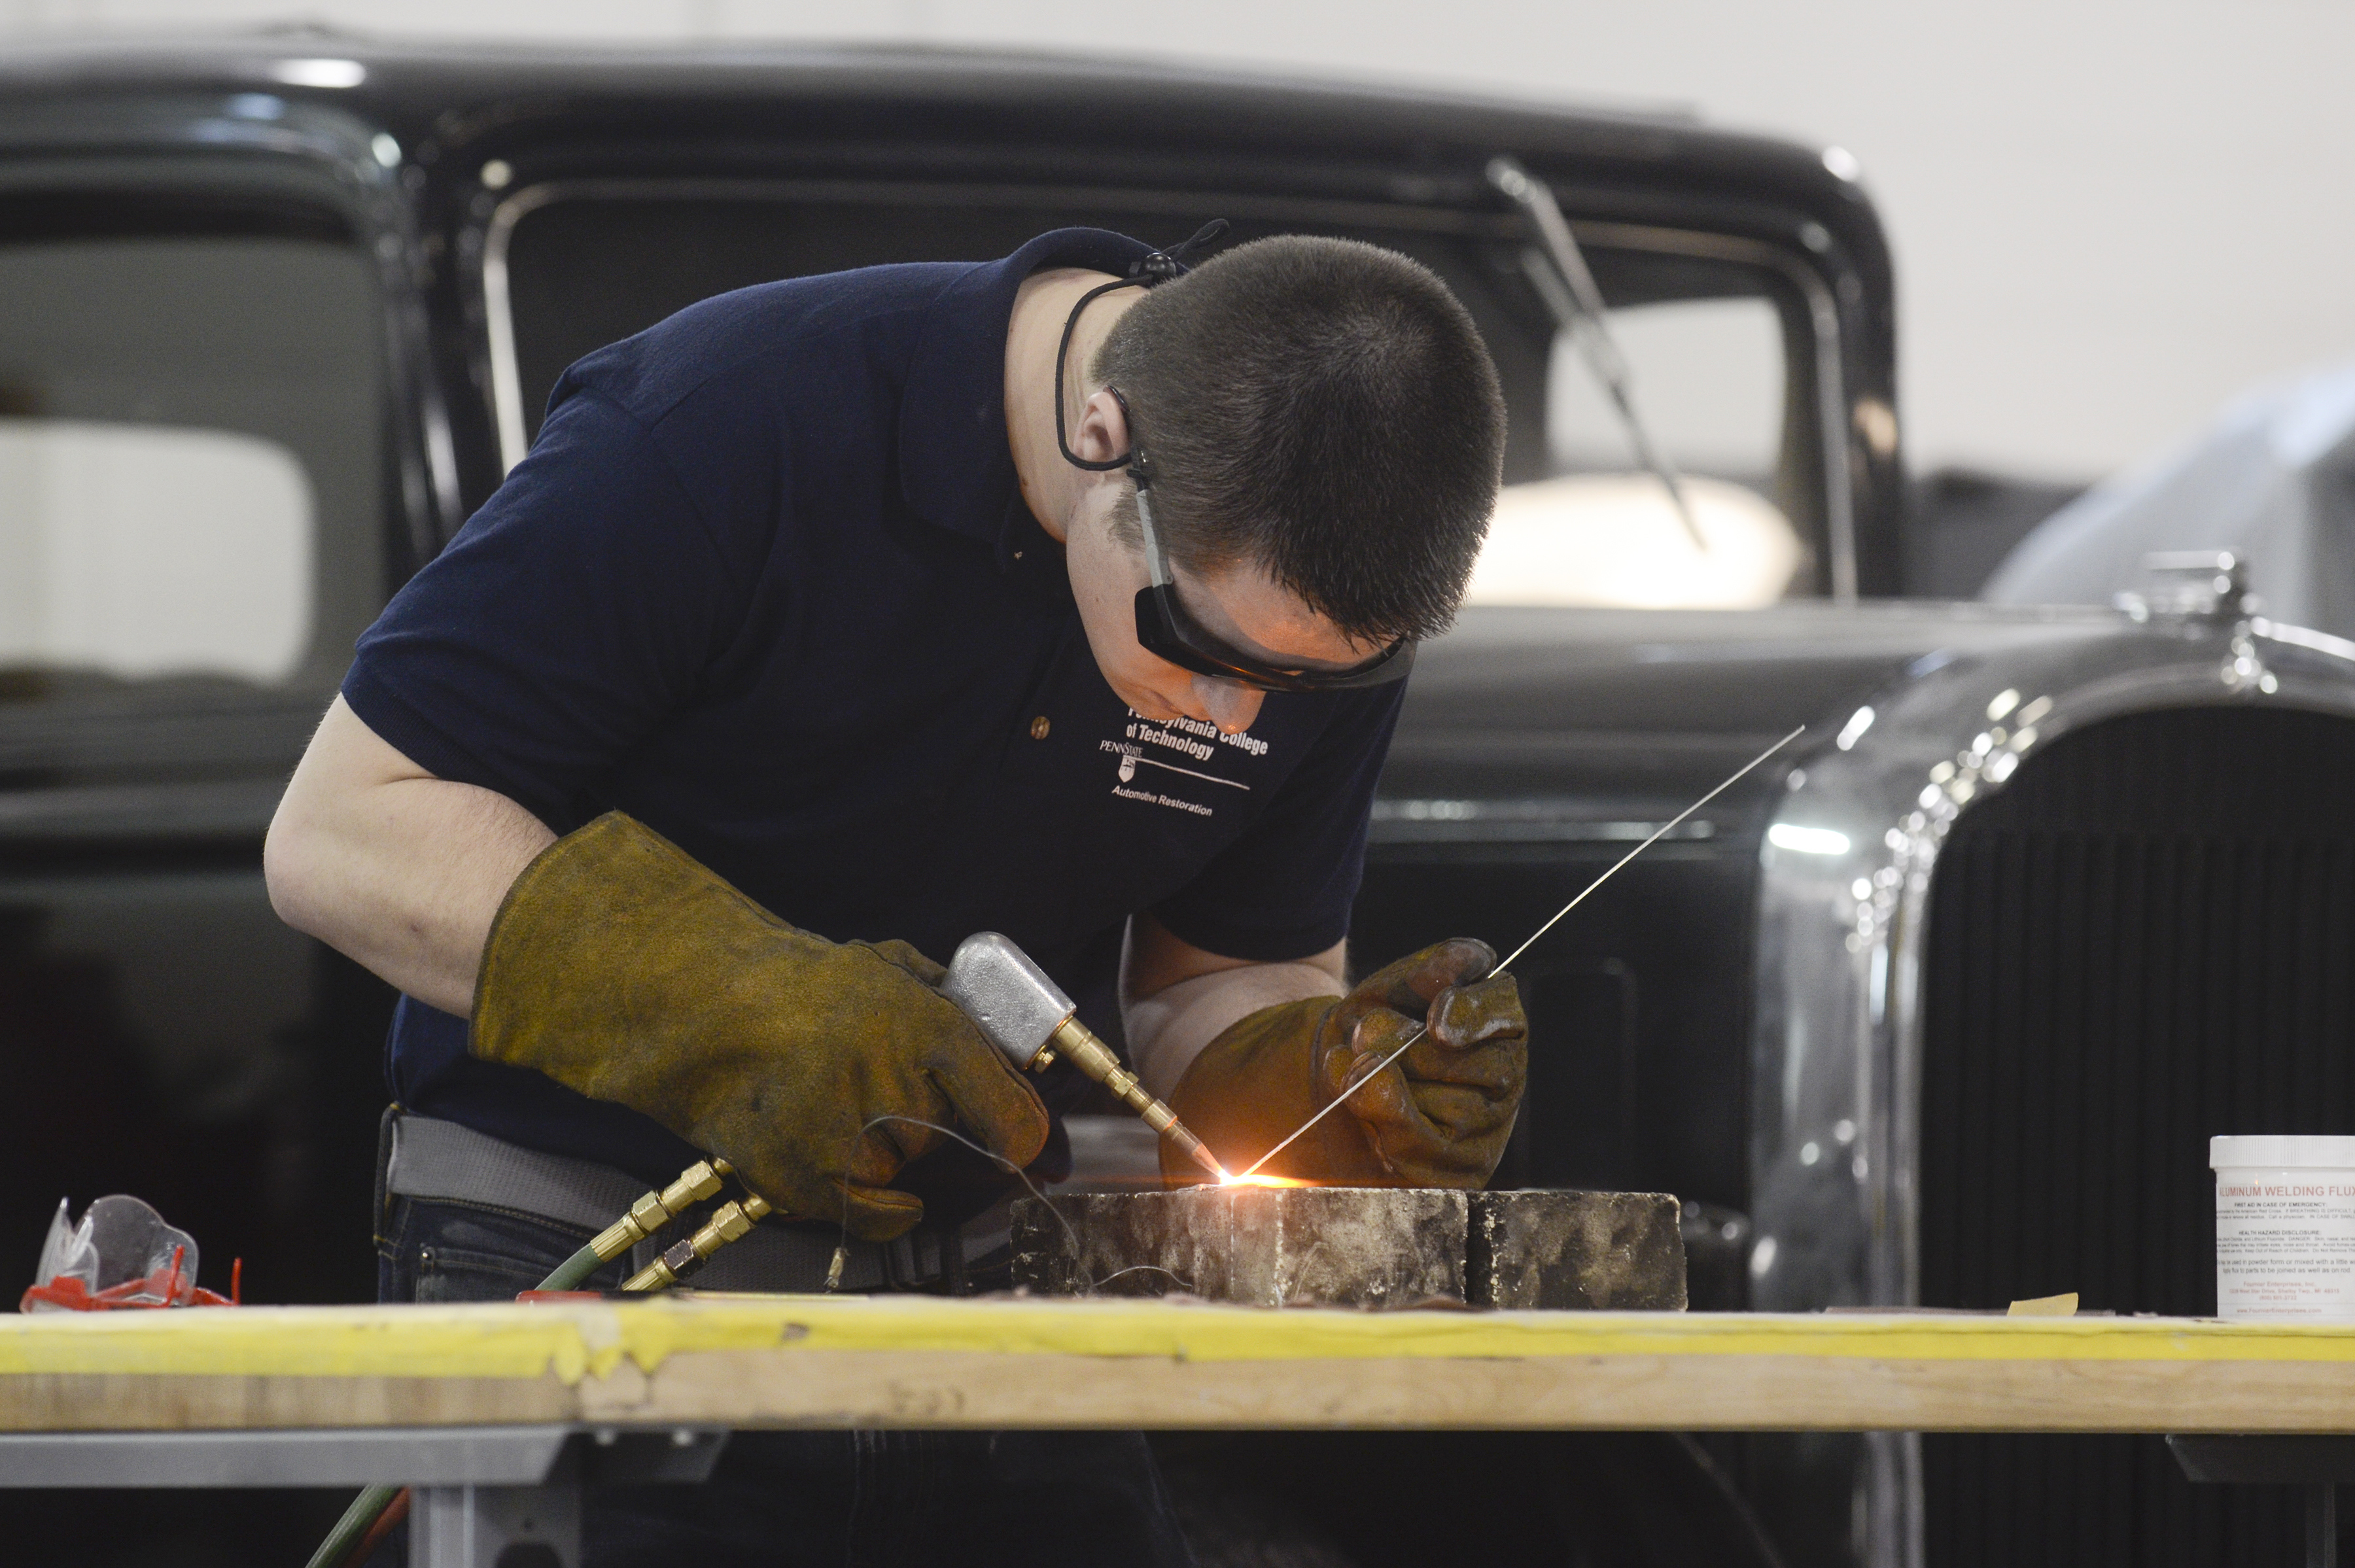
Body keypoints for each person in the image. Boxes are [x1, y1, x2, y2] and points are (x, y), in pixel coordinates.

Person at [266, 222, 1529, 1566]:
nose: (1235, 717)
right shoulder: (733, 420)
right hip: (589, 1266)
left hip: (991, 1298)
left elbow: (1222, 968)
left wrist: (1310, 1082)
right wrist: (741, 1007)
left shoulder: (1309, 606)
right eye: (1198, 646)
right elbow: (345, 828)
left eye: (1307, 682)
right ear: (1104, 437)